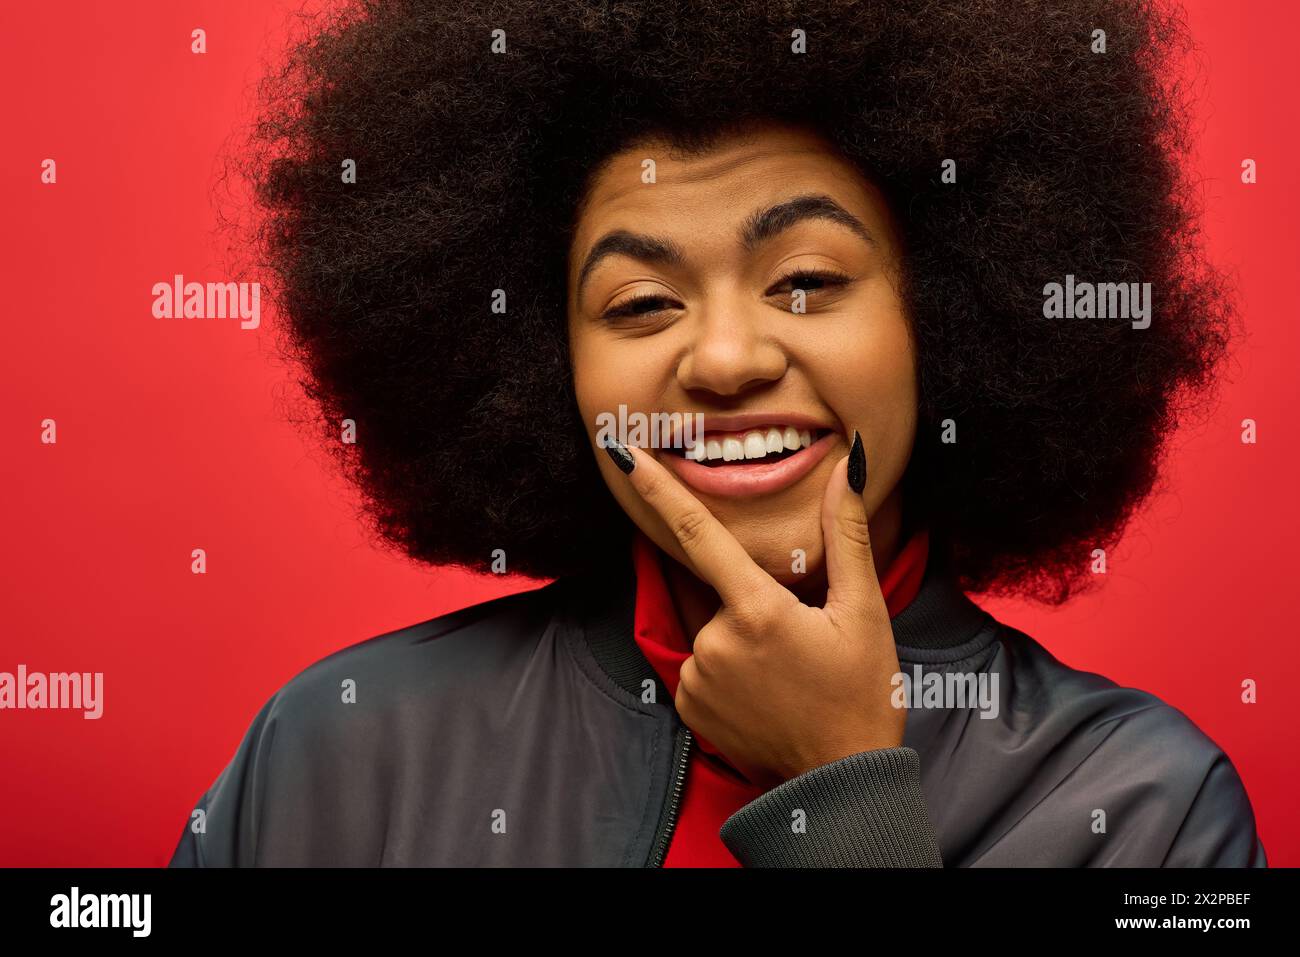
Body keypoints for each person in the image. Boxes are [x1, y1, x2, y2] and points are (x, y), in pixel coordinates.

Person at [168, 0, 1264, 866]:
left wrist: (840, 802)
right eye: (641, 303)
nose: (726, 360)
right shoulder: (342, 750)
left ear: (949, 315)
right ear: (546, 363)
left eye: (804, 281)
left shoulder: (1138, 806)